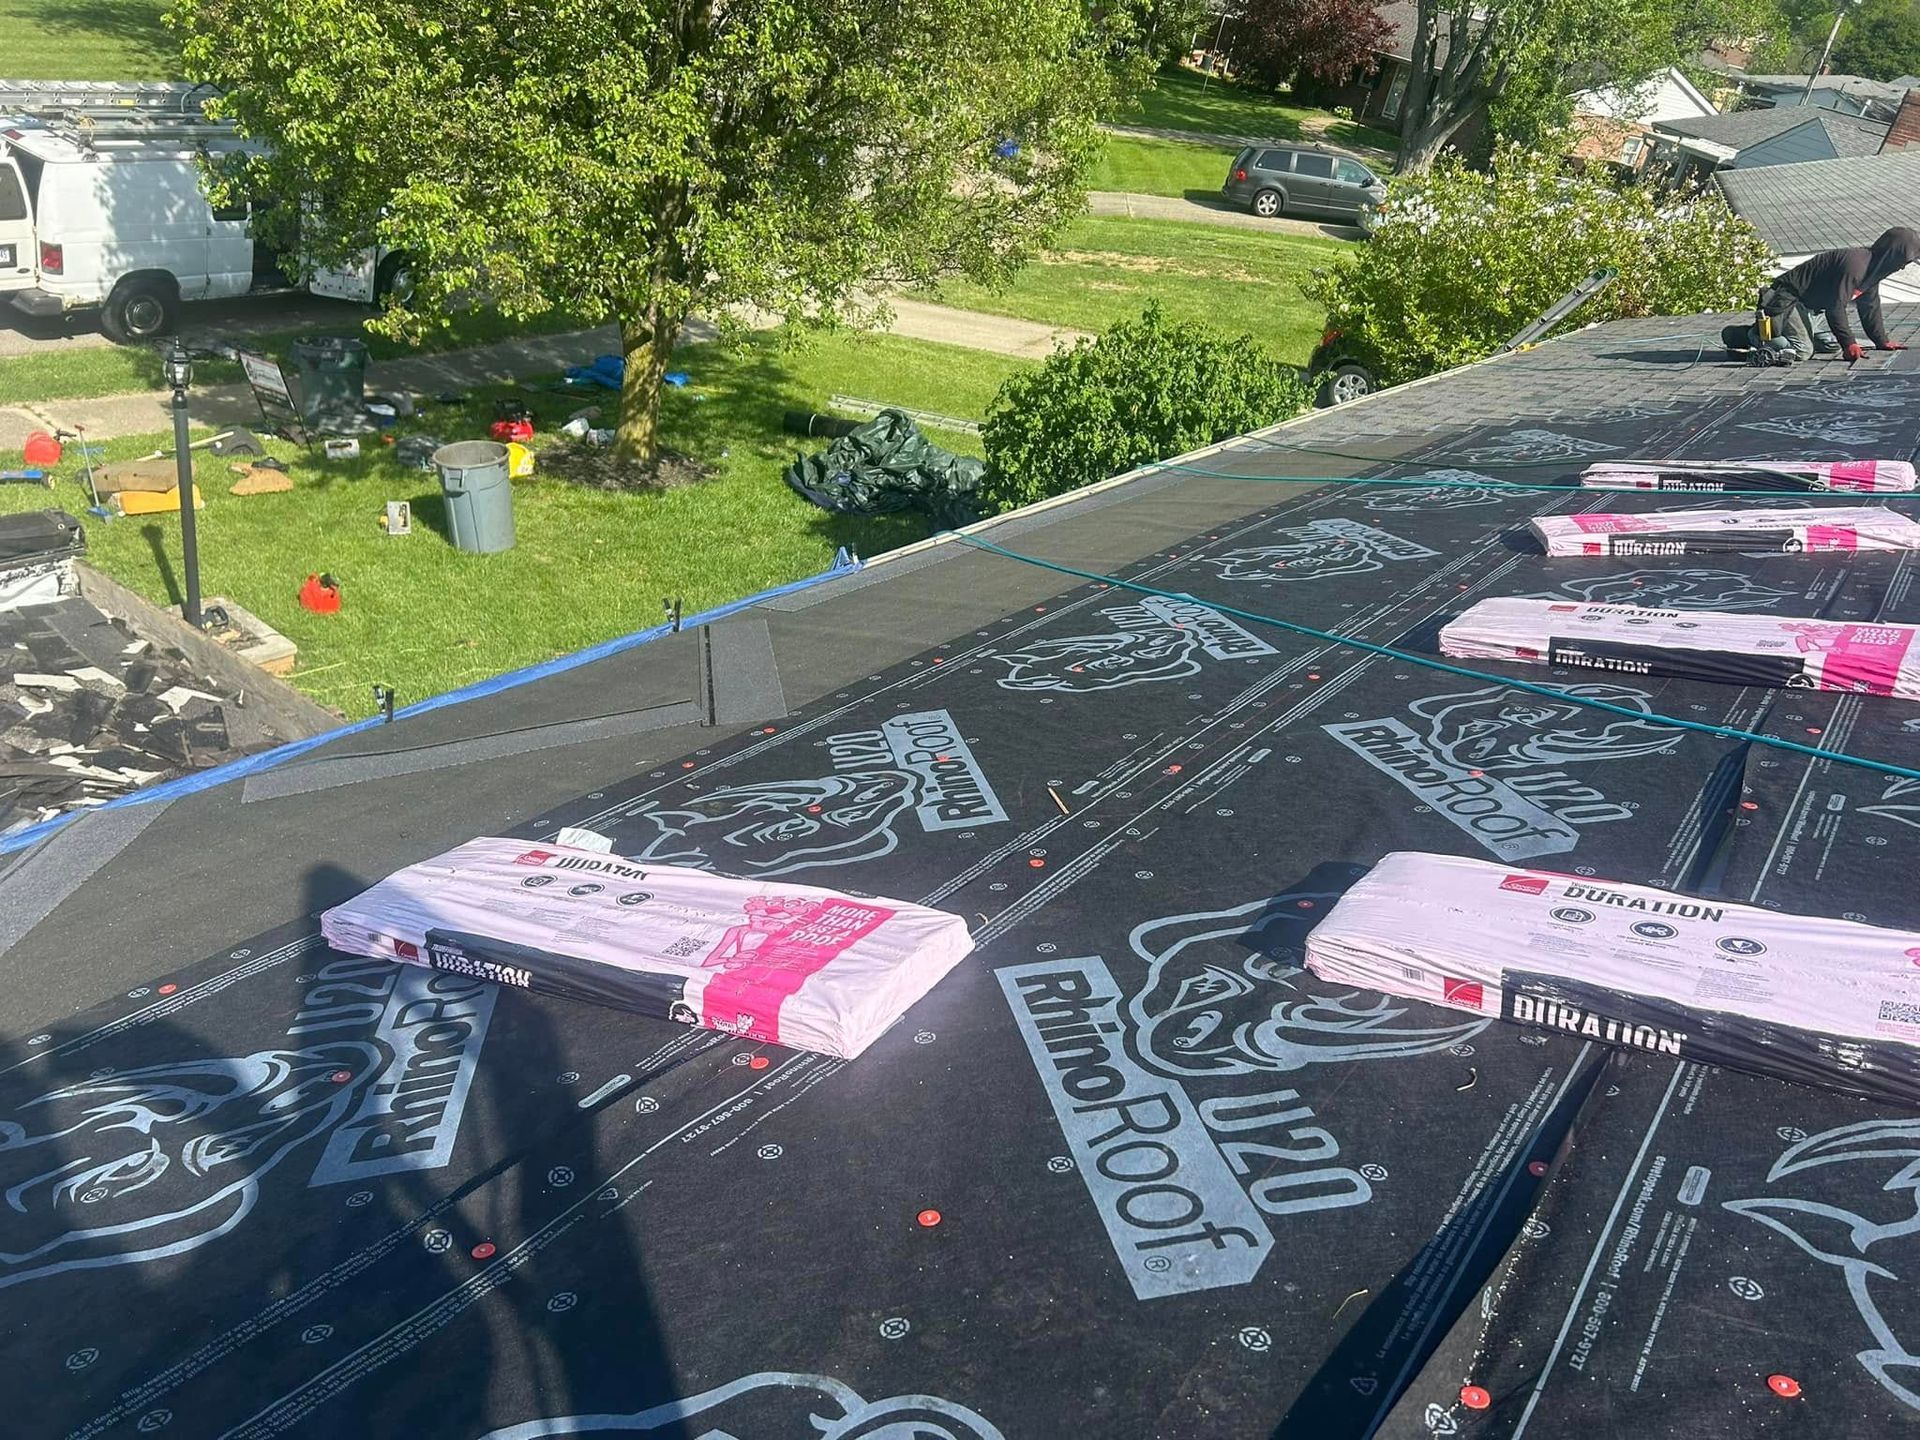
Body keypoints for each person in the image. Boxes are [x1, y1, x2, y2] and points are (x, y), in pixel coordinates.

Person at [1724, 227, 1918, 365]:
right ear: (1891, 255)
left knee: (1831, 344)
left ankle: (1782, 335)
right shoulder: (1855, 266)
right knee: (1803, 351)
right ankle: (1750, 336)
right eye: (1903, 261)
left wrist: (1881, 341)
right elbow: (1835, 308)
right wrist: (1849, 343)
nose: (1902, 267)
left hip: (1810, 309)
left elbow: (1870, 307)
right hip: (1788, 300)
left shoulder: (1872, 271)